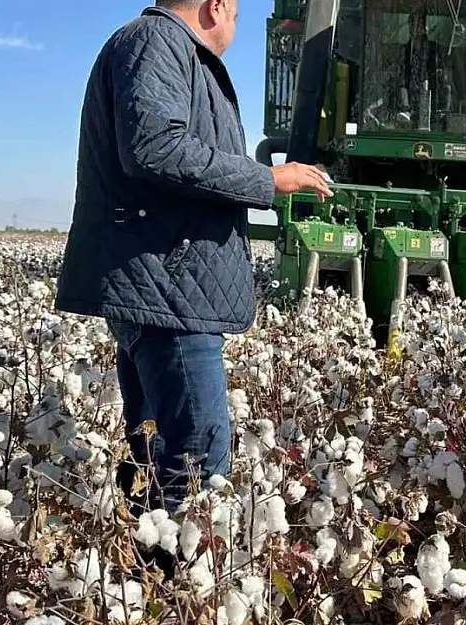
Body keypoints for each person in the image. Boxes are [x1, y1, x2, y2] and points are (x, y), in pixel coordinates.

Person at [53, 0, 332, 517]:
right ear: (215, 6)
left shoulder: (163, 49)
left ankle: (146, 582)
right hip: (169, 288)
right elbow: (154, 147)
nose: (233, 27)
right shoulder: (155, 43)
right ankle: (181, 585)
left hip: (167, 283)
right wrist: (266, 180)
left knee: (158, 458)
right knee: (198, 467)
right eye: (236, 16)